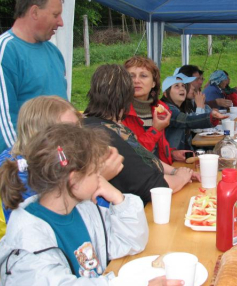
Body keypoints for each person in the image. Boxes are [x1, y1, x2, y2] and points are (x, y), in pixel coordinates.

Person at [0, 123, 149, 284]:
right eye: (95, 172)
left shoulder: (83, 209)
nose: (100, 178)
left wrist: (118, 198)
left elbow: (131, 242)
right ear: (74, 180)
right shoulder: (28, 245)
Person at [0, 96, 124, 237]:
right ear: (46, 137)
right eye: (71, 130)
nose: (81, 134)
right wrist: (94, 178)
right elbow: (61, 226)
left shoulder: (65, 162)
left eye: (79, 126)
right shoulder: (25, 177)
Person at [84, 64, 199, 205]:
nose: (138, 81)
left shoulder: (93, 124)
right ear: (127, 97)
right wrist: (180, 178)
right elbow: (152, 186)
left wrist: (175, 171)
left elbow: (144, 155)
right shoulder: (108, 135)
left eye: (143, 76)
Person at [0, 0, 68, 153]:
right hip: (31, 165)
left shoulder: (53, 51)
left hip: (59, 157)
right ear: (34, 12)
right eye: (55, 15)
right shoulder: (6, 51)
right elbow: (4, 124)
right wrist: (26, 167)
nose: (61, 23)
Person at [123, 56, 187, 164]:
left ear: (153, 83)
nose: (136, 80)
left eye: (143, 76)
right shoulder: (118, 112)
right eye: (131, 76)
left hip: (160, 171)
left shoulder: (160, 109)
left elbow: (156, 147)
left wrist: (171, 154)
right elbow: (132, 155)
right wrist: (155, 130)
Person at [161, 75, 227, 150]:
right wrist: (210, 116)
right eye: (176, 86)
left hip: (180, 152)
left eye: (183, 86)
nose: (182, 89)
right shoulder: (166, 109)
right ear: (165, 93)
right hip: (171, 157)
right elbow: (186, 120)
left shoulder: (177, 107)